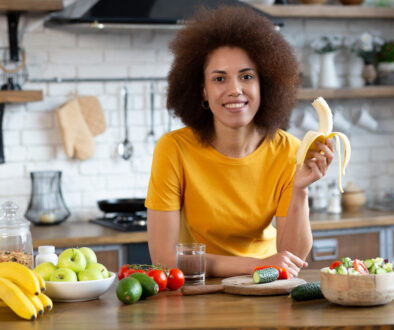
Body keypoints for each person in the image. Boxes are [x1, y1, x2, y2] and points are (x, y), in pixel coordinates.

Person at [145, 6, 334, 278]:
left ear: (263, 85)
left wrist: (299, 189)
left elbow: (292, 260)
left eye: (247, 76)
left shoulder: (290, 150)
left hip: (265, 285)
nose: (235, 89)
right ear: (203, 91)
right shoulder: (173, 149)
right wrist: (255, 265)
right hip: (199, 289)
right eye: (220, 78)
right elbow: (163, 259)